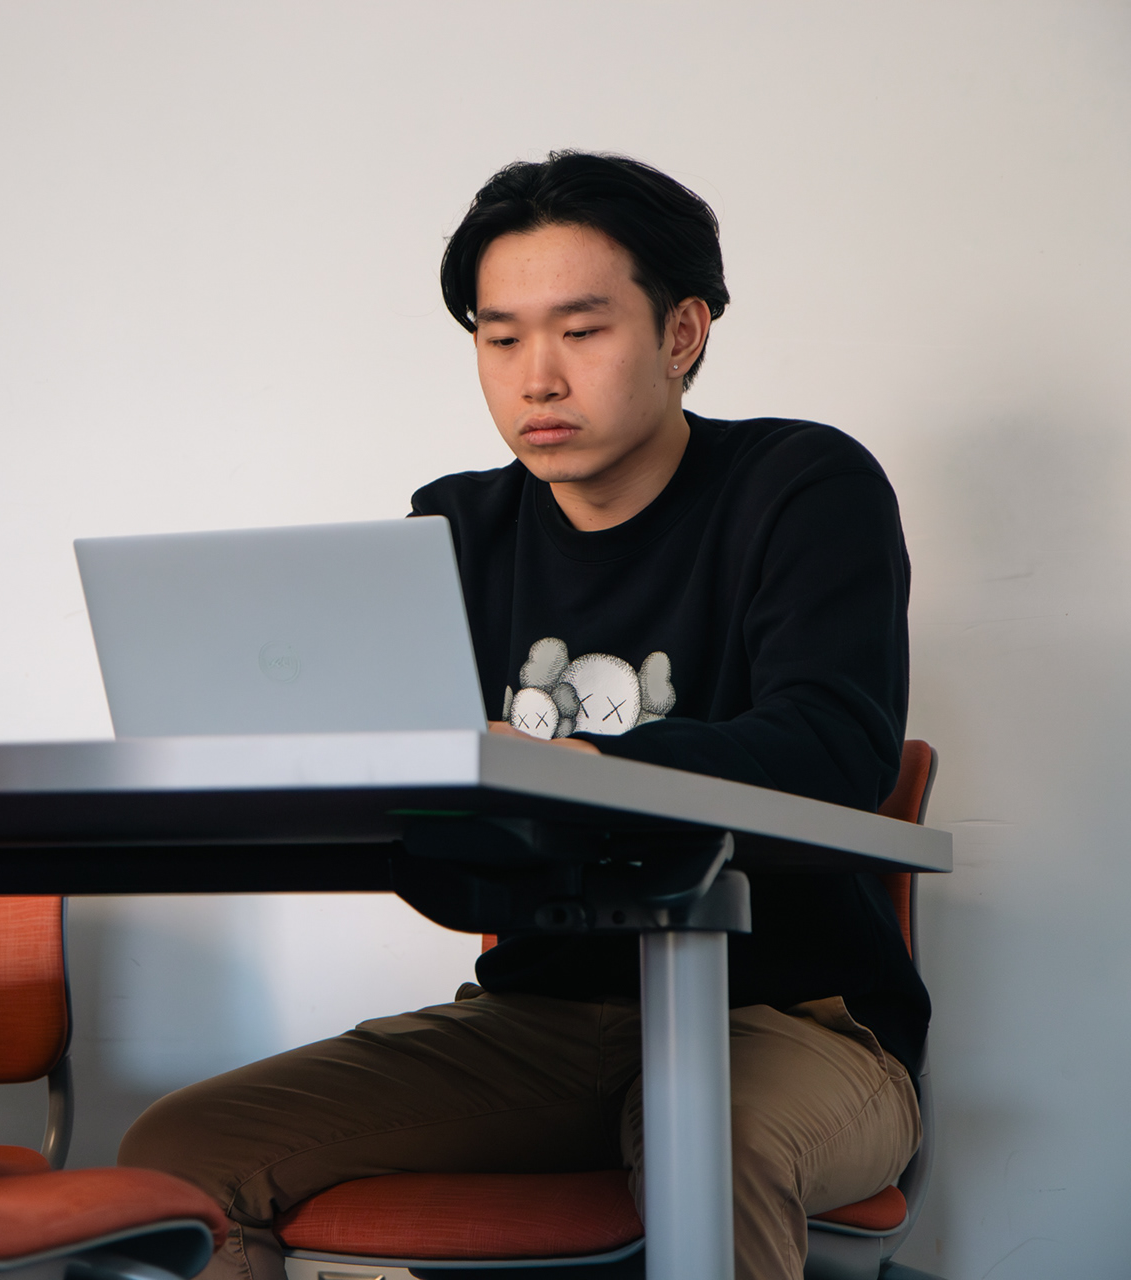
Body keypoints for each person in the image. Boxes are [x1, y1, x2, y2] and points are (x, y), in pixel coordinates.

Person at [117, 151, 926, 1280]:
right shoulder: (452, 530)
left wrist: (573, 768)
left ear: (682, 331)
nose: (536, 377)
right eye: (500, 339)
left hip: (794, 1021)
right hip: (542, 1025)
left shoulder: (800, 485)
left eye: (581, 331)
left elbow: (834, 746)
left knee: (713, 1139)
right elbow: (453, 879)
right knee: (179, 1151)